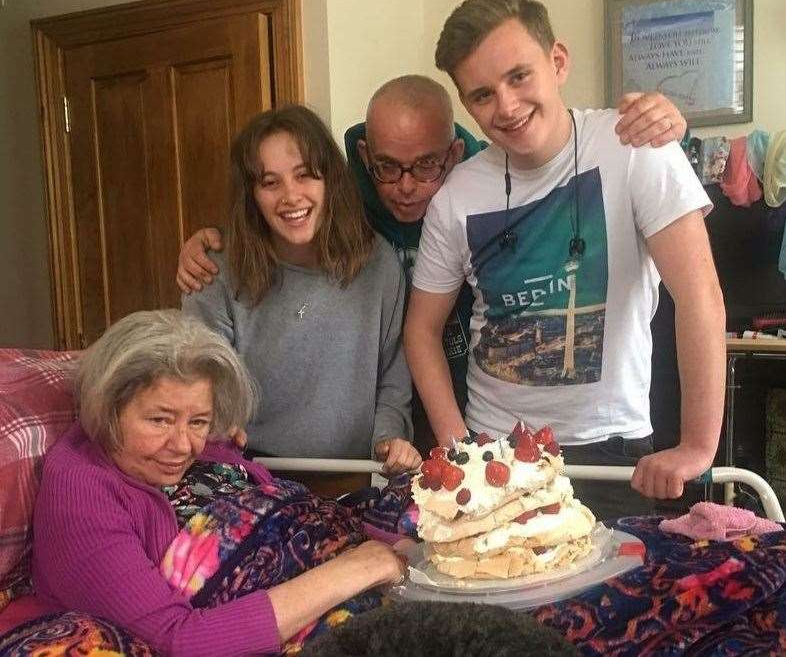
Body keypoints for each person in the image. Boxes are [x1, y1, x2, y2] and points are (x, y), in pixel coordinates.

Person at [176, 77, 687, 457]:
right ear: (363, 159)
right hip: (379, 429)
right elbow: (281, 202)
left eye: (426, 166)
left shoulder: (484, 191)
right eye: (387, 168)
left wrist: (666, 125)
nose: (405, 186)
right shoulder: (344, 200)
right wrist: (208, 244)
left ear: (454, 153)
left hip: (468, 407)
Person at [403, 0, 725, 520]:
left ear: (557, 62)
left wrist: (697, 446)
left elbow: (700, 298)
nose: (506, 106)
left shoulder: (636, 145)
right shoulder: (457, 196)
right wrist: (460, 447)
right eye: (482, 95)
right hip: (497, 454)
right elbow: (421, 331)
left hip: (611, 451)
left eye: (519, 76)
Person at [32, 310, 410, 656]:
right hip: (330, 596)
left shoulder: (192, 445)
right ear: (109, 408)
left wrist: (395, 551)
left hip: (352, 550)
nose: (183, 446)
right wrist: (358, 568)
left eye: (198, 422)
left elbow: (288, 508)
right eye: (159, 421)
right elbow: (179, 639)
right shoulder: (80, 493)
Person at [182, 105, 420, 473]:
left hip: (354, 477)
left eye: (305, 175)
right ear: (251, 195)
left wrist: (389, 439)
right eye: (270, 182)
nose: (290, 196)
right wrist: (216, 424)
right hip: (246, 474)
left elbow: (393, 378)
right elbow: (200, 379)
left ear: (331, 181)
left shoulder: (379, 264)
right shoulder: (212, 268)